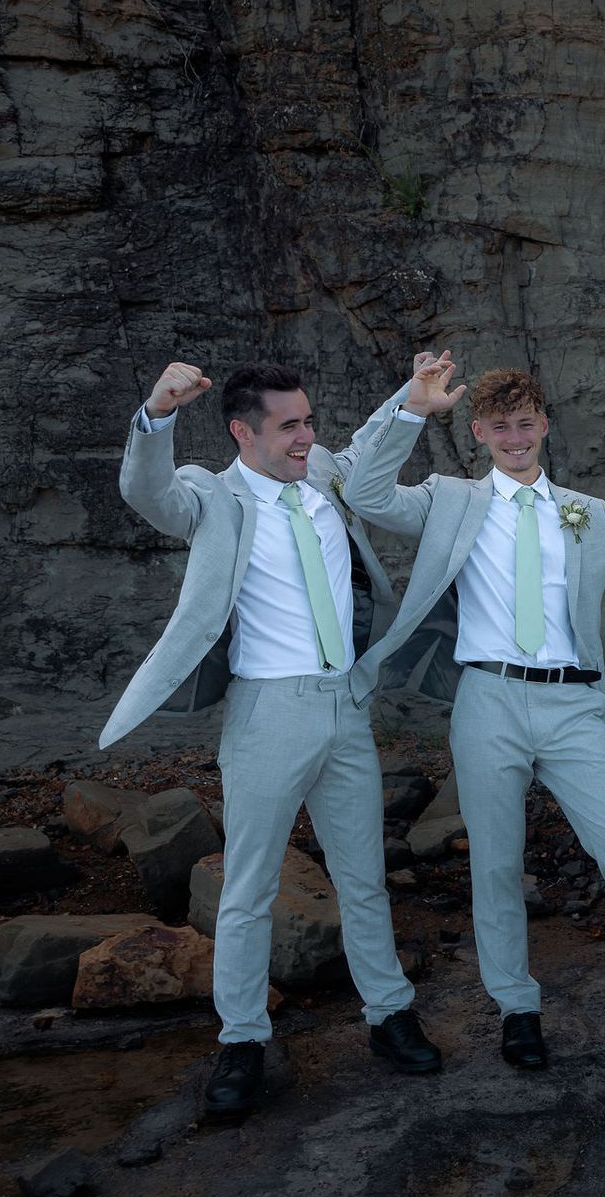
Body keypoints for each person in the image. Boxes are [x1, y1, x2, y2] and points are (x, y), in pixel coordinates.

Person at [343, 354, 605, 1063]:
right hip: (488, 698)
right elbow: (369, 493)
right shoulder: (450, 498)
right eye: (501, 427)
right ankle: (516, 1009)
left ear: (545, 426)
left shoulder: (586, 513)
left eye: (526, 423)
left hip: (573, 706)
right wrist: (411, 408)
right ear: (479, 431)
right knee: (496, 863)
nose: (515, 437)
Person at [103, 359, 437, 1121]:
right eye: (289, 425)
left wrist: (410, 402)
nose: (306, 436)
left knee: (364, 877)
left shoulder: (319, 471)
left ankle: (389, 1014)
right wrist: (154, 410)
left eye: (308, 420)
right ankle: (243, 1040)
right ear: (241, 431)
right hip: (267, 711)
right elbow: (145, 494)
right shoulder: (210, 497)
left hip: (345, 705)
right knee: (250, 889)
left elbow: (364, 449)